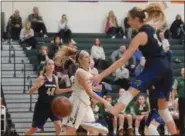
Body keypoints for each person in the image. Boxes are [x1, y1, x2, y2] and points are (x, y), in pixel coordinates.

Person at [93, 3, 177, 135]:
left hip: (155, 67)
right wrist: (162, 9)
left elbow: (122, 60)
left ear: (137, 19)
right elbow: (161, 21)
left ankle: (108, 117)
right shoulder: (149, 28)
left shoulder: (140, 36)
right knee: (163, 110)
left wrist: (100, 76)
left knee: (131, 91)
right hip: (167, 68)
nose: (128, 21)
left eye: (129, 18)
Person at [54, 46, 109, 135]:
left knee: (93, 131)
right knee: (70, 132)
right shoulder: (80, 72)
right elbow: (89, 92)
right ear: (80, 60)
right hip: (77, 103)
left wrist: (94, 88)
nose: (89, 58)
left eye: (89, 56)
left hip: (85, 103)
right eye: (86, 57)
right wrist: (104, 102)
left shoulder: (89, 69)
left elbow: (86, 88)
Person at [25, 59, 72, 135]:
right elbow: (30, 92)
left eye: (53, 64)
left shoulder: (55, 78)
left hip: (52, 106)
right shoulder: (41, 78)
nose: (51, 66)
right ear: (45, 66)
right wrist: (37, 86)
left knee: (59, 126)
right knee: (34, 129)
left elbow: (57, 91)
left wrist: (68, 89)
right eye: (49, 64)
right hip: (42, 106)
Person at [172, 68, 185, 136]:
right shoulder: (177, 80)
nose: (184, 72)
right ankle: (182, 131)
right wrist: (173, 99)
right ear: (181, 72)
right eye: (183, 71)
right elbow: (174, 90)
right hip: (182, 99)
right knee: (181, 115)